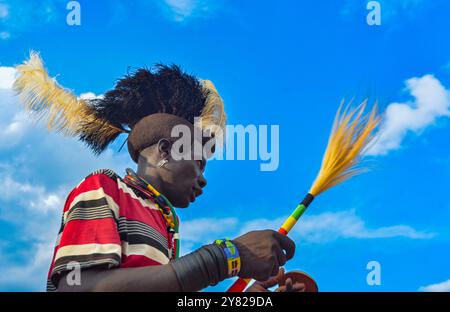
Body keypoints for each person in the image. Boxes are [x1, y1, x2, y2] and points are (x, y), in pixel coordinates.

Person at [14, 53, 305, 292]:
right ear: (166, 151)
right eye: (199, 162)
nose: (203, 178)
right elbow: (77, 289)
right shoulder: (103, 187)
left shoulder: (165, 221)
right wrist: (228, 256)